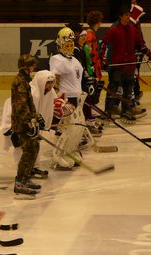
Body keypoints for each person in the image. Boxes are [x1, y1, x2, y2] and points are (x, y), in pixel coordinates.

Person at [101, 6, 151, 122]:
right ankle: (108, 111)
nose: (128, 17)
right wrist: (103, 60)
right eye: (125, 15)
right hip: (117, 65)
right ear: (120, 16)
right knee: (113, 88)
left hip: (130, 65)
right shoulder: (114, 30)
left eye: (129, 15)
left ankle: (126, 111)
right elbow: (104, 44)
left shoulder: (133, 30)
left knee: (128, 90)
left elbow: (141, 47)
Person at [49, 27, 87, 170]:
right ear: (59, 45)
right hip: (66, 99)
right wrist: (57, 100)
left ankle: (70, 151)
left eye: (71, 44)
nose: (69, 47)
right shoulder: (57, 59)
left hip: (77, 98)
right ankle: (58, 155)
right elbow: (53, 81)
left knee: (77, 128)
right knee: (66, 129)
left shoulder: (75, 60)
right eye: (66, 44)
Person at [11, 54, 44, 196]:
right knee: (29, 150)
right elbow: (21, 105)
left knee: (35, 147)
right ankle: (19, 181)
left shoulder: (24, 80)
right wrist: (29, 121)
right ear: (26, 67)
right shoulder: (20, 81)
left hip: (27, 121)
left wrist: (35, 117)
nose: (34, 68)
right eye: (32, 65)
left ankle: (26, 177)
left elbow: (29, 104)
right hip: (22, 123)